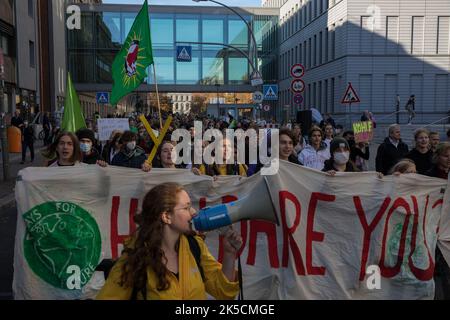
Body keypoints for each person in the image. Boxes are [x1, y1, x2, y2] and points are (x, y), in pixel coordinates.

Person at [96, 183, 242, 300]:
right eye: (186, 207)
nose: (193, 212)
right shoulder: (135, 256)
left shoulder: (195, 246)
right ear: (166, 216)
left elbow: (224, 293)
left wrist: (229, 254)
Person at [425, 142, 450, 300]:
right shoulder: (428, 176)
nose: (449, 159)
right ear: (437, 157)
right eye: (446, 156)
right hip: (432, 227)